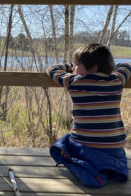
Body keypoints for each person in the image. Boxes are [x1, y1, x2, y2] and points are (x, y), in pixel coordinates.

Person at [47, 43, 131, 188]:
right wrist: (109, 68)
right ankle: (108, 168)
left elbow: (52, 69)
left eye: (77, 64)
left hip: (86, 146)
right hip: (115, 148)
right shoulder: (117, 81)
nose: (74, 69)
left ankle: (84, 166)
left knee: (64, 142)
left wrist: (67, 67)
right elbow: (127, 66)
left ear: (93, 66)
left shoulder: (74, 82)